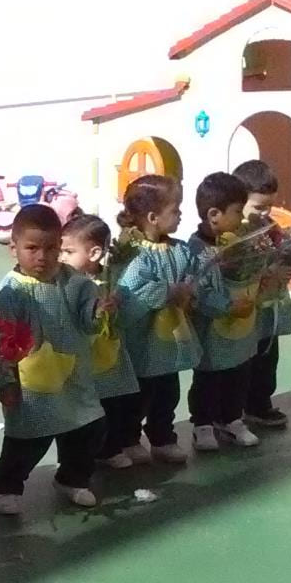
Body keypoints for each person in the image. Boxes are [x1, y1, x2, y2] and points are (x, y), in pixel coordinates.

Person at [0, 203, 106, 513]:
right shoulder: (10, 293)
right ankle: (7, 485)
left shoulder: (76, 282)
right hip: (31, 384)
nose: (42, 256)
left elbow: (88, 321)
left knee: (86, 428)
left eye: (51, 248)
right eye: (32, 248)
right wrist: (5, 382)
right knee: (27, 440)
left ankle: (72, 478)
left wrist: (100, 312)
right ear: (13, 248)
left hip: (73, 377)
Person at [115, 175, 197, 466]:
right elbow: (129, 294)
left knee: (167, 392)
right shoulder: (131, 253)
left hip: (169, 340)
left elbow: (190, 271)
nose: (180, 215)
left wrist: (192, 286)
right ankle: (129, 438)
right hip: (141, 339)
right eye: (175, 210)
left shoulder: (178, 247)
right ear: (152, 217)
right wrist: (167, 291)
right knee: (137, 395)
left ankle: (163, 438)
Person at [57, 213, 141, 472]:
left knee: (114, 405)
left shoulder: (112, 278)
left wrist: (115, 307)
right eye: (60, 251)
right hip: (81, 360)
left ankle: (110, 448)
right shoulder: (63, 283)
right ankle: (75, 459)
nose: (61, 258)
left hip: (111, 356)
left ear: (94, 253)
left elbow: (128, 313)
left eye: (68, 251)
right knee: (81, 411)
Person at [185, 172, 261, 451]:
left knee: (239, 373)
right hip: (211, 330)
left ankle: (232, 419)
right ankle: (202, 425)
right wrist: (227, 306)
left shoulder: (238, 243)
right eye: (237, 211)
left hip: (239, 327)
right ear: (214, 214)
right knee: (208, 378)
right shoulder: (195, 250)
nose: (242, 218)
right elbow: (198, 293)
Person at [232, 159, 291, 430]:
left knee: (268, 356)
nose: (265, 212)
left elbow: (287, 257)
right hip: (245, 308)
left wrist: (290, 263)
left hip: (269, 307)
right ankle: (232, 410)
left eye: (269, 206)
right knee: (241, 360)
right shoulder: (233, 234)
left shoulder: (272, 229)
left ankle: (260, 403)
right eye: (258, 206)